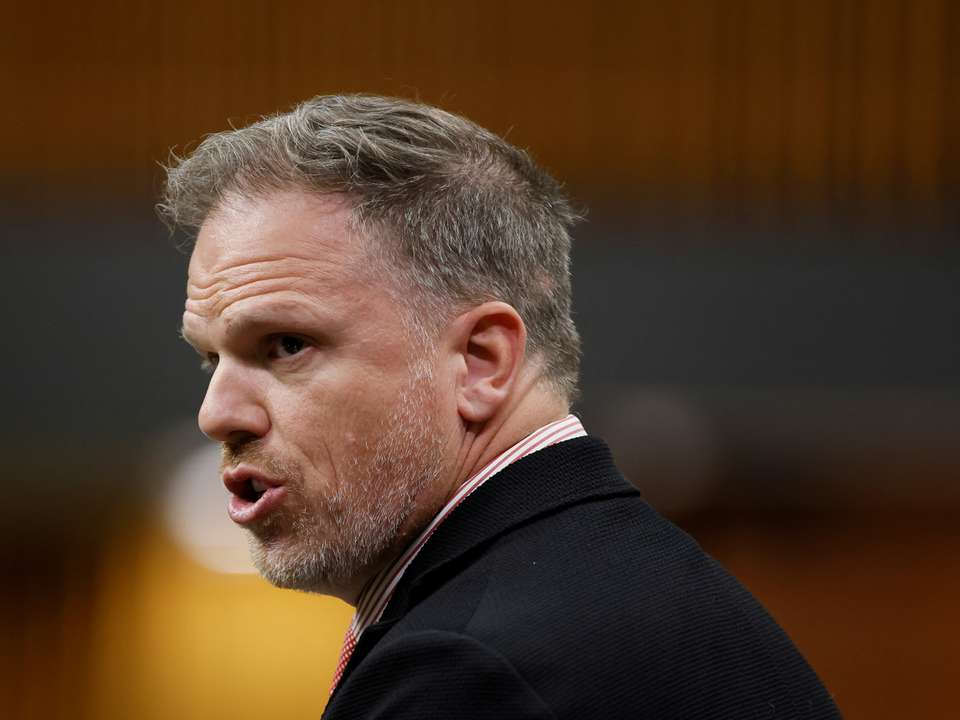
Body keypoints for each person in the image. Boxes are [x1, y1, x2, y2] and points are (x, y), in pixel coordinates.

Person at [164, 94, 841, 719]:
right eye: (209, 358)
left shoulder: (472, 671)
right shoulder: (629, 586)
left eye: (286, 344)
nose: (217, 414)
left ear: (481, 362)